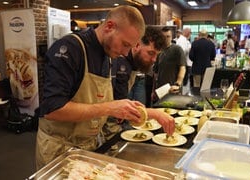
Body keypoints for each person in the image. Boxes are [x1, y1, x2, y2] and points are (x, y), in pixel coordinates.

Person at [36, 6, 174, 169]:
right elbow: (52, 110)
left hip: (89, 147)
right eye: (125, 44)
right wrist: (109, 108)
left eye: (130, 47)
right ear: (109, 27)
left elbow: (103, 103)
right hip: (59, 150)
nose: (125, 53)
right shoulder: (70, 49)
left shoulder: (108, 55)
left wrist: (133, 110)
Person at [105, 26, 171, 138]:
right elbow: (120, 106)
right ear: (136, 45)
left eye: (157, 55)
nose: (154, 60)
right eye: (151, 53)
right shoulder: (121, 64)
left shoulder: (134, 64)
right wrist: (156, 114)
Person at [153, 26, 186, 101]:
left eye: (168, 36)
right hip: (161, 90)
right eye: (163, 37)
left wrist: (178, 84)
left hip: (173, 89)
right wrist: (154, 90)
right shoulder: (159, 51)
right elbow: (156, 73)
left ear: (171, 37)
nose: (166, 38)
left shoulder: (177, 49)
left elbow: (182, 68)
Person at [176, 27, 192, 92]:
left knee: (185, 83)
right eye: (190, 32)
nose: (190, 34)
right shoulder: (182, 40)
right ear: (187, 32)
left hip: (186, 63)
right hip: (183, 64)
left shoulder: (185, 40)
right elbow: (182, 52)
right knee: (184, 83)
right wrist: (190, 49)